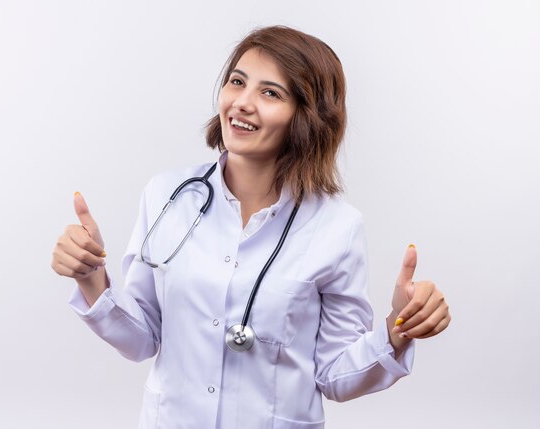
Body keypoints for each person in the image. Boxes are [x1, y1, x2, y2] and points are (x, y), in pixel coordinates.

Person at [51, 25, 450, 429]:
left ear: (308, 117)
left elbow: (334, 376)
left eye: (270, 93)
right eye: (237, 82)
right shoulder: (167, 196)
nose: (241, 103)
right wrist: (91, 278)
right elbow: (142, 339)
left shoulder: (337, 228)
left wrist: (398, 329)